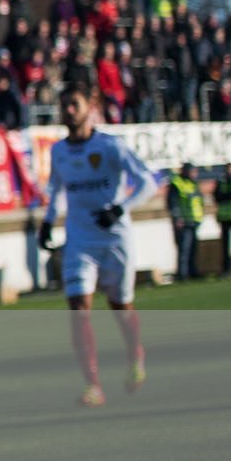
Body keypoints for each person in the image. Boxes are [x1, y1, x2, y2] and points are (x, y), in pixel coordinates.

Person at [38, 83, 156, 406]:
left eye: (74, 104)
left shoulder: (110, 146)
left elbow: (148, 182)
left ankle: (135, 354)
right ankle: (93, 385)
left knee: (120, 306)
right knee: (78, 307)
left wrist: (120, 209)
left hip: (115, 238)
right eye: (64, 106)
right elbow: (57, 190)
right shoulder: (58, 151)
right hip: (80, 240)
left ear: (89, 107)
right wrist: (48, 222)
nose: (69, 111)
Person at [167, 162, 204, 282]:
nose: (194, 174)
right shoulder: (177, 183)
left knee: (193, 248)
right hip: (184, 222)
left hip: (194, 220)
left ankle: (192, 271)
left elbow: (199, 201)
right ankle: (182, 274)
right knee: (184, 248)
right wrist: (177, 218)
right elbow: (173, 203)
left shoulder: (193, 183)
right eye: (192, 171)